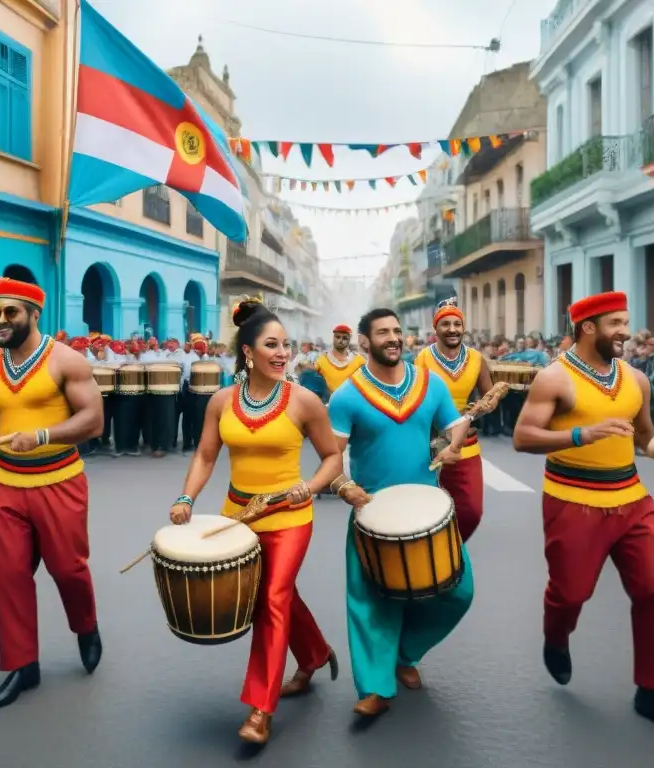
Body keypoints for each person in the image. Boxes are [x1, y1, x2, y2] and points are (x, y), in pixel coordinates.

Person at [512, 291, 654, 735]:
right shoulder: (554, 378)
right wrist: (581, 434)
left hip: (632, 499)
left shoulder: (636, 379)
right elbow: (524, 437)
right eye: (616, 323)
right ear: (588, 328)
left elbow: (645, 436)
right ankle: (556, 636)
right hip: (572, 500)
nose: (625, 331)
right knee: (571, 594)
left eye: (625, 322)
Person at [168, 298, 342, 745]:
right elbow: (206, 455)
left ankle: (260, 709)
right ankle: (314, 652)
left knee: (272, 598)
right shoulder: (221, 401)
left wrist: (311, 486)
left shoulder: (304, 401)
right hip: (238, 518)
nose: (282, 353)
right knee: (275, 595)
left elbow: (332, 457)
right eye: (271, 345)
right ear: (247, 352)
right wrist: (186, 498)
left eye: (286, 345)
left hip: (288, 516)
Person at [0, 278, 104, 711]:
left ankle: (86, 626)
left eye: (11, 312)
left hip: (60, 482)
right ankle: (22, 665)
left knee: (68, 569)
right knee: (9, 576)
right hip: (6, 485)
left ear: (34, 314)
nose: (1, 319)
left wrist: (43, 434)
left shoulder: (66, 361)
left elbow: (93, 419)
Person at [324, 308, 474, 717]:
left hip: (428, 509)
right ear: (364, 342)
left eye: (396, 331)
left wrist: (453, 443)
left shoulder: (431, 383)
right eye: (382, 332)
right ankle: (374, 687)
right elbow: (330, 457)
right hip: (373, 513)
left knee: (459, 592)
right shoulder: (347, 396)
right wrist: (343, 486)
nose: (393, 338)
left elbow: (452, 427)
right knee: (370, 602)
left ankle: (405, 654)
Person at [415, 300, 496, 540]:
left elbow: (489, 395)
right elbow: (414, 398)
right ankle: (439, 552)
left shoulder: (477, 358)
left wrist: (486, 406)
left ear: (463, 327)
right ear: (436, 328)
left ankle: (452, 547)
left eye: (457, 324)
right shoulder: (423, 358)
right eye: (446, 324)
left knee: (471, 511)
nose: (452, 329)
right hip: (429, 445)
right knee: (428, 510)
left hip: (466, 445)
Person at [313, 324, 364, 398]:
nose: (340, 340)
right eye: (338, 337)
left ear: (349, 339)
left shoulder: (359, 361)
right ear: (333, 337)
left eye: (345, 338)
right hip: (328, 402)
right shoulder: (321, 360)